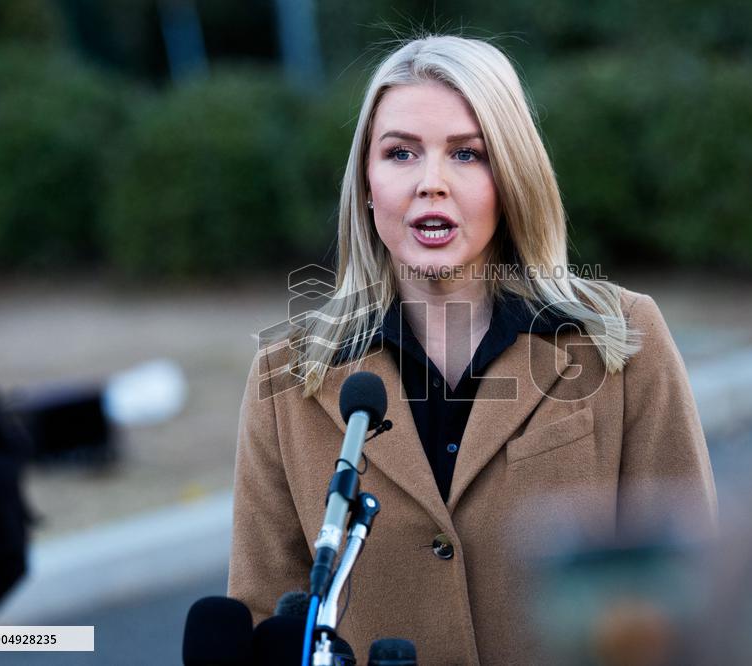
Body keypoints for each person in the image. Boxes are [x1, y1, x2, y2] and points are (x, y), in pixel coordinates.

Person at [227, 34, 716, 664]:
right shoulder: (288, 371)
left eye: (467, 154)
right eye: (401, 153)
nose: (431, 183)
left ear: (511, 175)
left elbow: (684, 591)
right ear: (368, 183)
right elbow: (265, 612)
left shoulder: (620, 338)